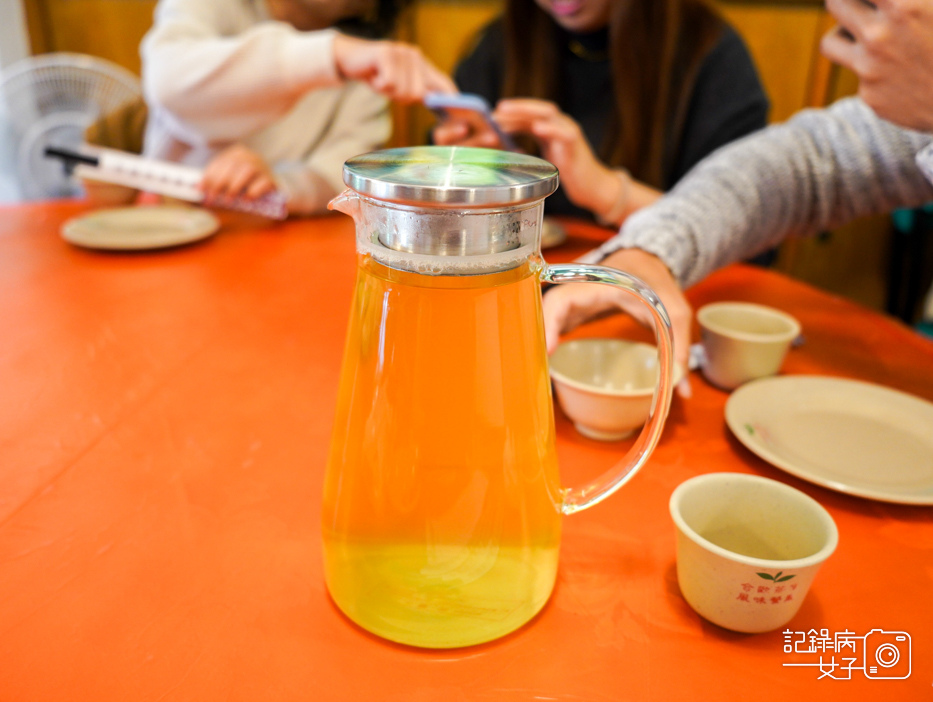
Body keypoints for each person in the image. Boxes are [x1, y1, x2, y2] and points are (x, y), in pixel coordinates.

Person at [541, 0, 933, 395]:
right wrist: (649, 251)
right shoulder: (512, 41)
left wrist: (614, 195)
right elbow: (805, 164)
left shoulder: (710, 52)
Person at [432, 0, 769, 228]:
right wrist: (471, 174)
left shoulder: (710, 55)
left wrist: (605, 190)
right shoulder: (502, 39)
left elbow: (749, 238)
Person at [139, 0, 456, 216]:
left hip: (281, 253)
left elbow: (342, 174)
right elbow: (168, 78)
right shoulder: (215, 8)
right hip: (166, 227)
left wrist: (278, 186)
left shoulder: (370, 54)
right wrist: (333, 54)